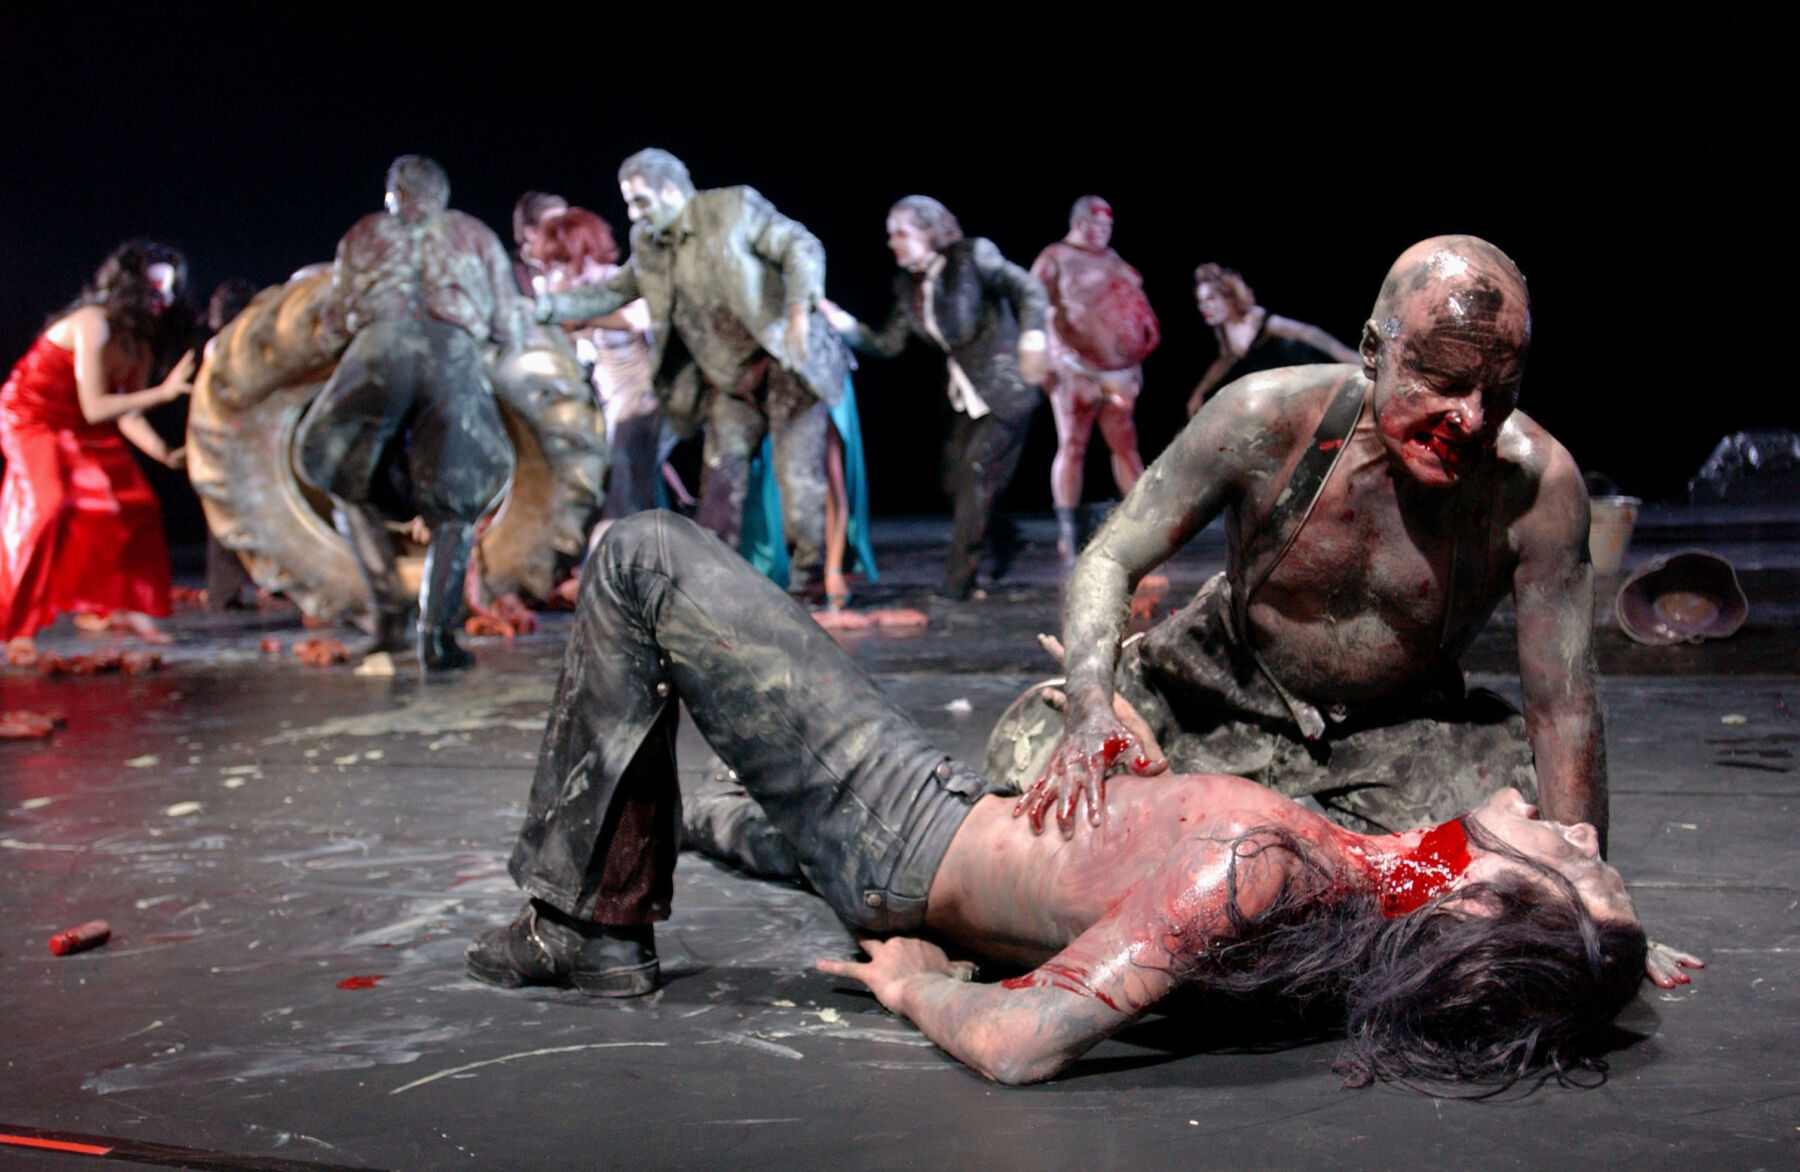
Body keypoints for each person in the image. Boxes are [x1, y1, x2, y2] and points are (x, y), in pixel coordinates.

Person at [467, 511, 1650, 1089]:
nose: (1582, 827)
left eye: (1580, 861)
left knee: (642, 556)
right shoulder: (1370, 878)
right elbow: (1166, 883)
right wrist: (1138, 776)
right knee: (738, 816)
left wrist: (917, 983)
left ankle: (583, 927)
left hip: (904, 830)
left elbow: (1022, 1041)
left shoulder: (1261, 871)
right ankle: (694, 835)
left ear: (1483, 904)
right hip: (950, 817)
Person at [534, 149, 851, 601]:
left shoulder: (732, 207)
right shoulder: (650, 244)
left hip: (786, 362)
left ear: (669, 190)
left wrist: (799, 311)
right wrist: (543, 308)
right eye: (628, 203)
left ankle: (809, 583)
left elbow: (800, 245)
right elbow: (611, 292)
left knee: (797, 479)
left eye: (640, 201)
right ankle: (708, 594)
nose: (633, 214)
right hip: (729, 379)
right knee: (720, 483)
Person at [295, 155, 523, 671]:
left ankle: (388, 620)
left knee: (344, 479)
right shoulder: (474, 234)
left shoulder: (364, 234)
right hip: (452, 354)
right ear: (442, 195)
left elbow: (333, 324)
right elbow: (508, 324)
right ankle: (435, 636)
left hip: (378, 350)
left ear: (392, 195)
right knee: (457, 503)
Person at [819, 196, 1049, 600]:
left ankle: (960, 582)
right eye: (891, 234)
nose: (892, 242)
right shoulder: (908, 285)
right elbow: (889, 344)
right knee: (952, 479)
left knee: (976, 471)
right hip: (967, 396)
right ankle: (1001, 539)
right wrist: (845, 324)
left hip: (1007, 387)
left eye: (901, 233)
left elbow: (1028, 289)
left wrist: (1033, 340)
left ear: (928, 232)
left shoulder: (973, 256)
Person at [2, 240, 195, 659]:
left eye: (169, 290)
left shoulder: (139, 344)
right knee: (50, 508)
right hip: (30, 415)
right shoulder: (94, 323)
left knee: (136, 503)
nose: (163, 298)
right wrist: (163, 393)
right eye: (154, 288)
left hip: (78, 422)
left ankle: (124, 608)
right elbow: (96, 406)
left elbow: (126, 414)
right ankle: (19, 628)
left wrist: (165, 453)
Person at [1030, 196, 1161, 564]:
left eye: (1108, 227)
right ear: (1080, 222)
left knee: (1126, 445)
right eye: (1097, 225)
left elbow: (1133, 308)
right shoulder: (1055, 257)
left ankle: (1142, 531)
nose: (1103, 232)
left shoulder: (1112, 259)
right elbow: (1030, 305)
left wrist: (1135, 361)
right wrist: (1042, 358)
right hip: (1075, 369)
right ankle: (1069, 534)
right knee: (1073, 445)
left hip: (1118, 372)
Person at [528, 206, 662, 522]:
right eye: (556, 263)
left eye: (566, 260)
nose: (564, 270)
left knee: (622, 476)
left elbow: (641, 318)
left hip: (641, 393)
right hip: (603, 396)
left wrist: (585, 317)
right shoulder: (571, 290)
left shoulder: (614, 279)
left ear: (587, 252)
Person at [1185, 262, 1358, 416]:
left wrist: (1354, 359)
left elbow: (1308, 333)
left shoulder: (1260, 321)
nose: (1203, 307)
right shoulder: (1224, 330)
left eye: (1210, 298)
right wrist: (1199, 391)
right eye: (1200, 301)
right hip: (1290, 397)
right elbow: (1225, 358)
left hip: (1316, 383)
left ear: (1229, 296)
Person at [510, 190, 568, 296]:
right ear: (530, 233)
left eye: (567, 226)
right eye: (554, 227)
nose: (563, 234)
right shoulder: (510, 273)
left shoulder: (576, 268)